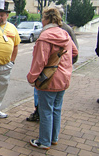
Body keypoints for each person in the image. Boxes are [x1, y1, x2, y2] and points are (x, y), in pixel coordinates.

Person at [27, 8, 78, 150]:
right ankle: (54, 138)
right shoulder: (65, 34)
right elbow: (74, 52)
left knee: (46, 111)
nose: (41, 20)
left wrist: (31, 78)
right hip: (64, 78)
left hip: (48, 79)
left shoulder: (45, 37)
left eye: (43, 17)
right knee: (56, 109)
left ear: (48, 19)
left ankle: (44, 141)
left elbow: (39, 62)